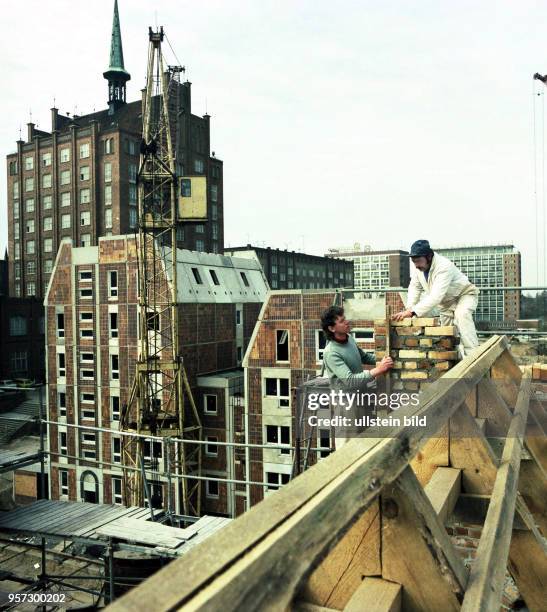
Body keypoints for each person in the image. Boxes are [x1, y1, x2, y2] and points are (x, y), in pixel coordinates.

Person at [320, 305, 393, 448]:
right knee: (347, 450)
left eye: (345, 318)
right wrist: (378, 370)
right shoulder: (331, 352)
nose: (347, 322)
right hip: (347, 407)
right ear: (332, 328)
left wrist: (385, 359)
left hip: (361, 400)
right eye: (342, 321)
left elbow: (364, 357)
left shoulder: (349, 339)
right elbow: (350, 381)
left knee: (364, 446)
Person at [392, 239, 480, 356]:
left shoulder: (444, 266)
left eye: (418, 261)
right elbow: (415, 287)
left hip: (464, 295)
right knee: (447, 336)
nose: (416, 265)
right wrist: (409, 308)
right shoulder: (419, 269)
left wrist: (412, 312)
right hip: (445, 304)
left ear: (429, 256)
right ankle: (453, 363)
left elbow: (436, 296)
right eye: (414, 262)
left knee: (461, 315)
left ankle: (473, 357)